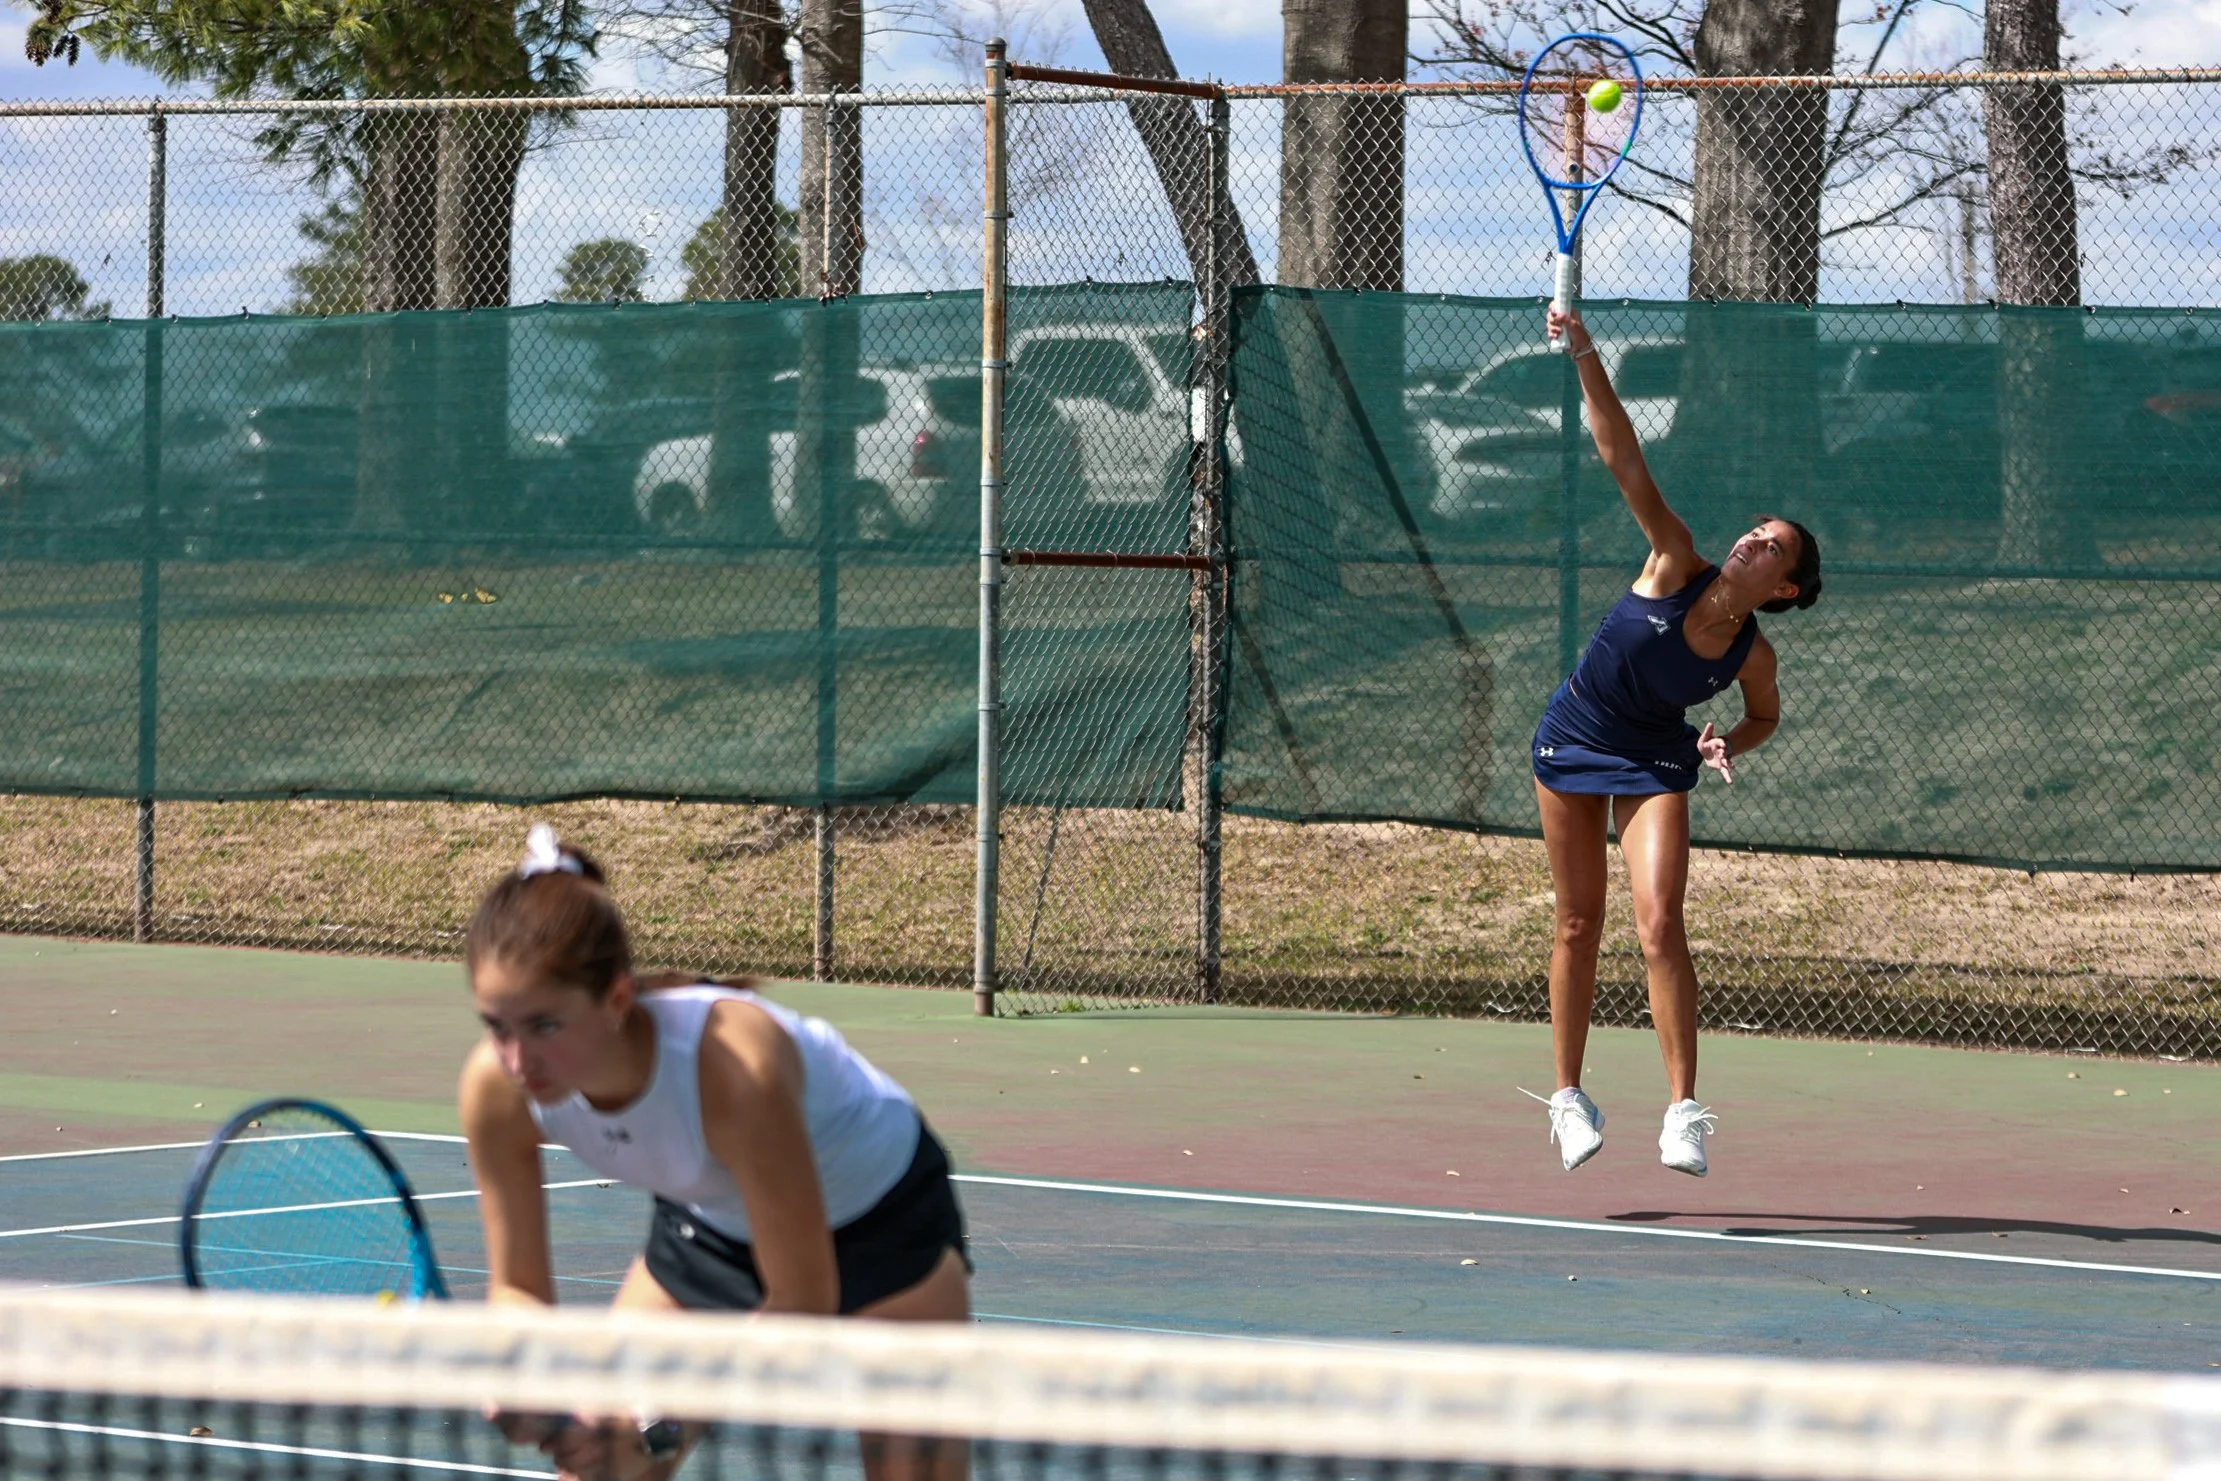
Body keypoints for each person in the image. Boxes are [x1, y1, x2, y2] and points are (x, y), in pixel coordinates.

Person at [460, 824, 970, 1481]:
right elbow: (517, 1290)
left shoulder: (731, 1066)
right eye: (496, 1025)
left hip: (884, 1228)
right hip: (710, 1234)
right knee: (600, 1465)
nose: (517, 1059)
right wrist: (518, 1372)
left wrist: (660, 1421)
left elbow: (803, 1303)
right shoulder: (497, 1092)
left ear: (617, 998)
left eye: (545, 1025)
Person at [1526, 306, 1823, 1179]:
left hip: (1655, 757)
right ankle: (1568, 1099)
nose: (1751, 539)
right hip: (1573, 736)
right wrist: (1583, 348)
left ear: (1783, 586)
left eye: (1770, 546)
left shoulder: (1752, 655)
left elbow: (1764, 717)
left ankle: (1682, 1112)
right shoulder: (1672, 557)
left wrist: (1725, 743)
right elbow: (1621, 452)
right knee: (1577, 922)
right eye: (1754, 529)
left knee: (1659, 924)